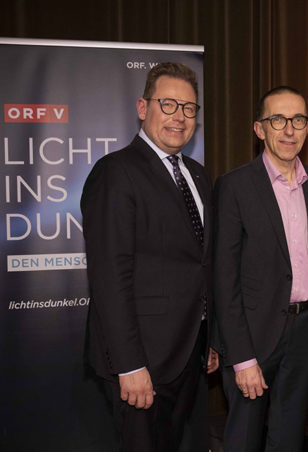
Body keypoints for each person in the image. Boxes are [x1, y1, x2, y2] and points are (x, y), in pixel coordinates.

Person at [81, 62, 219, 452]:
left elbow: (201, 264)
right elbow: (110, 277)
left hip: (188, 352)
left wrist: (211, 337)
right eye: (168, 104)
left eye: (189, 108)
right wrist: (129, 365)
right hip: (142, 359)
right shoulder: (115, 172)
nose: (180, 117)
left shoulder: (198, 175)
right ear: (143, 108)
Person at [214, 86, 308, 451]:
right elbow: (224, 278)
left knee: (289, 438)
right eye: (278, 119)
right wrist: (241, 357)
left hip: (303, 333)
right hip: (253, 335)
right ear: (259, 128)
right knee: (244, 439)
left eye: (298, 120)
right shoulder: (234, 186)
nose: (289, 130)